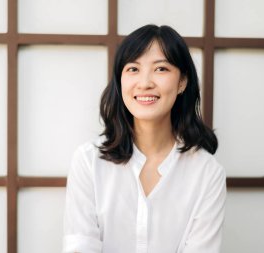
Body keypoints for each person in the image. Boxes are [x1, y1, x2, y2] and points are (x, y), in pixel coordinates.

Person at [63, 24, 226, 253]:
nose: (145, 82)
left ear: (182, 82)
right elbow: (81, 247)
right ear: (120, 81)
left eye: (160, 69)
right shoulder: (89, 162)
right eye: (133, 69)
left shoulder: (207, 173)